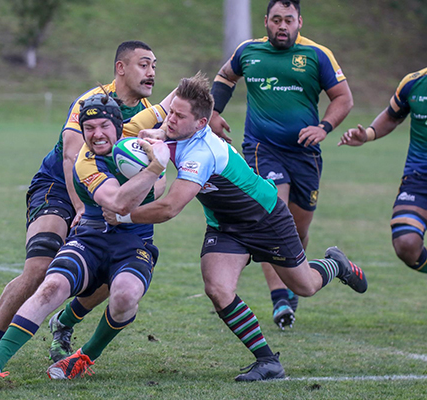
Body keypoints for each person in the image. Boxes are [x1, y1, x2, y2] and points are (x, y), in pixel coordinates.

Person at [104, 73, 367, 381]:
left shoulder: (202, 154)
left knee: (304, 286)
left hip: (266, 219)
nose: (170, 119)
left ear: (200, 124)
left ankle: (336, 264)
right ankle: (268, 361)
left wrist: (123, 215)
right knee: (217, 288)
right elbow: (158, 133)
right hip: (225, 225)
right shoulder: (178, 130)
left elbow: (170, 208)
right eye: (171, 112)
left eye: (179, 115)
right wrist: (147, 139)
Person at [0, 40, 165, 368]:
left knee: (111, 266)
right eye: (144, 64)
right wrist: (82, 209)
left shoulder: (148, 114)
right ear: (121, 68)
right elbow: (73, 156)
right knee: (41, 267)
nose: (152, 72)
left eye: (154, 65)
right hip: (60, 186)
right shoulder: (91, 101)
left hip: (106, 191)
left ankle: (65, 322)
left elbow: (178, 110)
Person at [209, 0, 354, 329]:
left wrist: (324, 127)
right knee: (275, 213)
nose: (282, 26)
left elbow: (344, 98)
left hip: (305, 154)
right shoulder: (248, 52)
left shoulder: (317, 55)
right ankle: (280, 299)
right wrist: (214, 112)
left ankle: (303, 275)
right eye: (276, 20)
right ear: (266, 22)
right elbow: (225, 76)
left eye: (288, 20)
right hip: (262, 148)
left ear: (299, 21)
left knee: (298, 231)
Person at [339, 67, 427, 273]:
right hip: (418, 178)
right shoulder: (414, 82)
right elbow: (392, 116)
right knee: (406, 243)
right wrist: (367, 135)